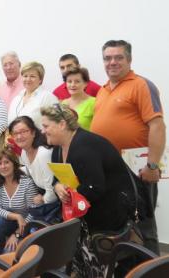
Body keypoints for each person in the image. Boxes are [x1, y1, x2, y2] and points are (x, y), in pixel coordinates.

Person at [41, 104, 137, 277]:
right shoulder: (57, 148)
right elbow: (57, 179)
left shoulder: (85, 146)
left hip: (108, 215)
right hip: (85, 214)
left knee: (103, 266)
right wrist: (58, 187)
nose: (43, 131)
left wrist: (69, 195)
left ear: (62, 124)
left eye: (46, 126)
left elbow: (95, 188)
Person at [91, 40, 166, 255]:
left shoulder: (141, 85)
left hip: (138, 171)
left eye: (118, 57)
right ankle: (125, 267)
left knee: (144, 226)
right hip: (109, 171)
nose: (112, 62)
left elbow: (157, 125)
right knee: (117, 224)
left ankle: (152, 270)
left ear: (129, 60)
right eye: (107, 58)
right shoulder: (103, 90)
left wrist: (152, 165)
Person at [0, 149, 39, 255]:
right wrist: (17, 216)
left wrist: (16, 234)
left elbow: (34, 212)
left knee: (10, 253)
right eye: (0, 163)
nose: (3, 166)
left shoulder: (26, 183)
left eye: (7, 162)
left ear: (14, 164)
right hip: (9, 222)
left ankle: (7, 253)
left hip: (27, 224)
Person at [9, 116, 58, 214]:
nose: (19, 136)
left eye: (23, 132)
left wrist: (43, 199)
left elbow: (53, 191)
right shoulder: (24, 152)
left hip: (54, 203)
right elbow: (30, 169)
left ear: (33, 133)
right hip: (41, 196)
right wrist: (6, 173)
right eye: (15, 133)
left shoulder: (43, 154)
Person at [8, 62, 58, 127]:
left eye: (32, 76)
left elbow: (56, 123)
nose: (28, 79)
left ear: (40, 79)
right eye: (25, 76)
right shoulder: (17, 98)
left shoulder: (47, 97)